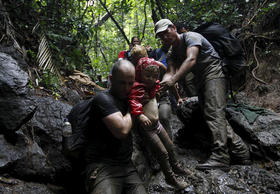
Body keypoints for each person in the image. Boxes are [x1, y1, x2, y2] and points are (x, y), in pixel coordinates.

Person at [155, 19, 250, 170]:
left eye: (166, 33)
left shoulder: (191, 37)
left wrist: (173, 80)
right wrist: (162, 85)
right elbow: (169, 72)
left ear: (173, 28)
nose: (164, 37)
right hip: (201, 80)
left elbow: (191, 59)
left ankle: (221, 156)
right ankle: (241, 151)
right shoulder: (172, 53)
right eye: (161, 36)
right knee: (211, 115)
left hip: (214, 73)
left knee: (214, 113)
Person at [128, 46, 189, 189]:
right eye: (147, 76)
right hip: (147, 127)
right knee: (162, 152)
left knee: (170, 146)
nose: (151, 79)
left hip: (157, 125)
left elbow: (162, 74)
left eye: (154, 76)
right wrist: (140, 115)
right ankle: (171, 178)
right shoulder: (137, 87)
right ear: (139, 73)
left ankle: (177, 167)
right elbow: (132, 101)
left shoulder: (153, 85)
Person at [84, 60, 147, 194]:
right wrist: (134, 107)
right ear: (111, 79)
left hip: (126, 165)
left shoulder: (128, 98)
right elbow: (122, 130)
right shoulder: (102, 99)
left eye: (130, 83)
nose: (127, 88)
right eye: (122, 83)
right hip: (102, 166)